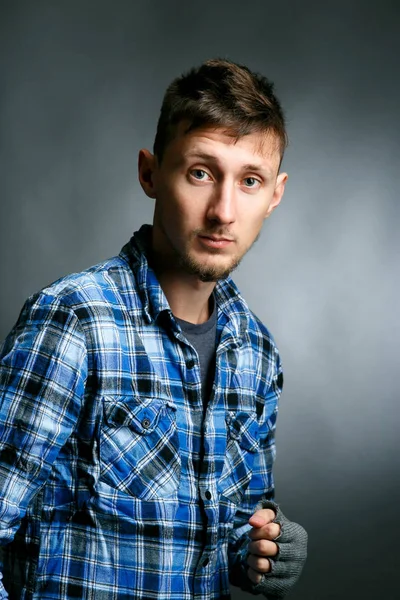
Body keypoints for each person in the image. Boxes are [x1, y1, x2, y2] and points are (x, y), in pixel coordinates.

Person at [0, 58, 307, 600]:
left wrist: (261, 548)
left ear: (275, 195)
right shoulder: (76, 321)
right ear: (150, 172)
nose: (223, 211)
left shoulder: (256, 353)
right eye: (200, 173)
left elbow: (231, 523)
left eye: (250, 181)